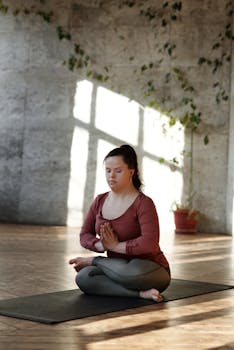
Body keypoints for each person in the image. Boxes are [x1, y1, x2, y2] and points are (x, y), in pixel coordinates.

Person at [69, 144, 171, 302]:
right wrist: (100, 246)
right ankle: (140, 294)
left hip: (148, 269)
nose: (111, 176)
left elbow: (149, 243)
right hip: (115, 267)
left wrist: (112, 248)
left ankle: (95, 261)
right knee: (84, 277)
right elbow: (85, 234)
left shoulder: (144, 203)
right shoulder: (100, 201)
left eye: (118, 171)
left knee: (132, 272)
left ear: (131, 172)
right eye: (108, 170)